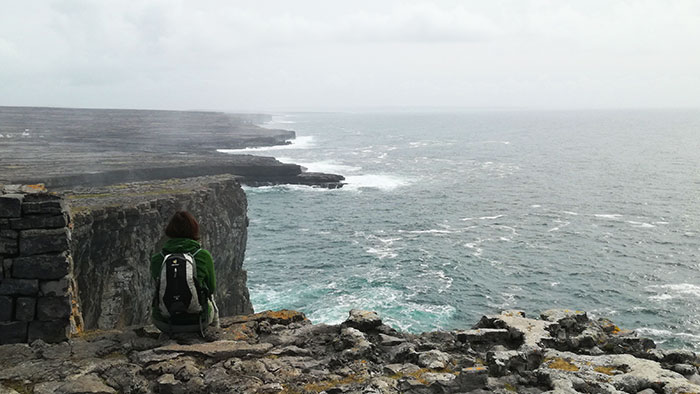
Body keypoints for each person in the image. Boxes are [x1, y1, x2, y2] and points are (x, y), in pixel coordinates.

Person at [150, 211, 219, 333]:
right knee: (209, 296)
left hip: (164, 323)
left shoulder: (157, 259)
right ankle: (215, 332)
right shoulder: (203, 255)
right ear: (194, 230)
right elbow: (211, 288)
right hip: (198, 322)